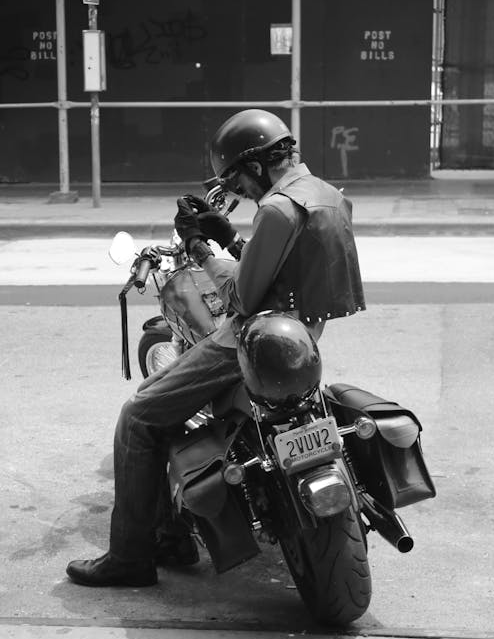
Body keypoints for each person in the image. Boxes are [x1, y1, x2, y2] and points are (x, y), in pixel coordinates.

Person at [66, 108, 366, 587]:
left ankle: (131, 557)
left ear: (254, 165)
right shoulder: (327, 197)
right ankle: (175, 527)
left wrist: (200, 246)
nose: (238, 191)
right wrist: (227, 235)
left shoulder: (276, 208)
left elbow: (242, 298)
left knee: (139, 416)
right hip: (301, 339)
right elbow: (283, 274)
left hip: (248, 341)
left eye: (236, 179)